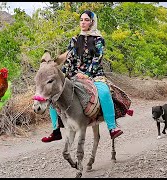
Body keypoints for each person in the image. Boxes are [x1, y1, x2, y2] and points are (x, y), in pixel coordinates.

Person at [41, 10, 123, 143]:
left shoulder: (98, 40)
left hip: (94, 74)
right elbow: (69, 59)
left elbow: (97, 59)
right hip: (74, 74)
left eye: (86, 20)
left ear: (92, 22)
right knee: (54, 93)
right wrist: (63, 74)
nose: (83, 22)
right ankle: (56, 130)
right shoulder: (74, 39)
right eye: (81, 20)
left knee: (104, 92)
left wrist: (86, 74)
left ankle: (112, 128)